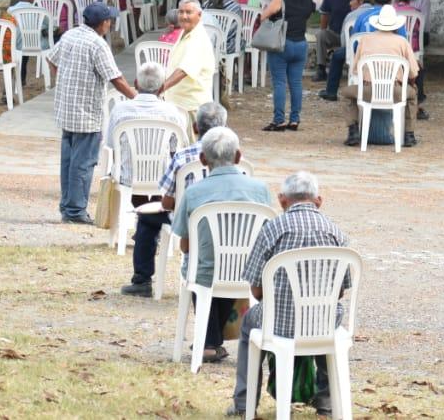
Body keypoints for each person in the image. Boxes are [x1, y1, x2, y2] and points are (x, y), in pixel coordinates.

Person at [230, 171, 350, 418]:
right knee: (326, 317)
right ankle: (326, 401)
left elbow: (256, 289)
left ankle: (244, 403)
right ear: (319, 200)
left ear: (283, 200)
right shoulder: (336, 232)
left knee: (247, 325)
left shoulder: (272, 229)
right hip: (322, 321)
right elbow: (340, 290)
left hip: (278, 321)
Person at [171, 127, 273, 363]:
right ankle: (211, 342)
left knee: (201, 264)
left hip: (205, 272)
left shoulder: (194, 192)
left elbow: (185, 246)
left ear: (202, 159)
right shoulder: (260, 190)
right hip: (247, 272)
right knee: (231, 264)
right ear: (238, 157)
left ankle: (208, 342)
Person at [121, 101, 229, 297]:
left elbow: (168, 202)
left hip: (185, 220)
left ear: (196, 128)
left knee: (146, 220)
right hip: (225, 220)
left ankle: (142, 280)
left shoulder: (182, 157)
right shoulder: (235, 157)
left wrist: (167, 205)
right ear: (225, 128)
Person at [48, 1, 137, 223]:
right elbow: (115, 78)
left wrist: (65, 81)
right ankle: (76, 211)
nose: (111, 24)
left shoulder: (70, 35)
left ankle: (67, 207)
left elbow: (52, 59)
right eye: (109, 21)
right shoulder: (97, 45)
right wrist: (138, 97)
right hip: (86, 113)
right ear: (104, 23)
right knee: (83, 162)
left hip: (66, 109)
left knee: (68, 161)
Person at [106, 61, 191, 207]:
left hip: (127, 178)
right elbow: (176, 150)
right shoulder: (172, 112)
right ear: (163, 87)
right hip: (162, 179)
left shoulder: (119, 110)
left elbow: (110, 146)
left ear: (136, 84)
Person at [340, 4, 419, 147]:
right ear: (395, 25)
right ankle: (409, 135)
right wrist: (410, 84)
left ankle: (353, 131)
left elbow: (356, 70)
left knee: (346, 93)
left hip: (369, 91)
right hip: (395, 92)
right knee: (412, 95)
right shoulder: (402, 42)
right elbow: (413, 72)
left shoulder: (365, 40)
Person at [258, 0, 315, 131]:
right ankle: (295, 119)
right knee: (296, 83)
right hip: (301, 44)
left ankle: (279, 119)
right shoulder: (308, 1)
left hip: (282, 44)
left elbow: (263, 16)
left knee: (280, 83)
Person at [160, 0, 217, 131]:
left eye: (188, 12)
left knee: (191, 149)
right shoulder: (185, 32)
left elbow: (183, 70)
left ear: (199, 15)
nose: (184, 16)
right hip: (178, 104)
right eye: (181, 12)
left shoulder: (198, 39)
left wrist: (159, 89)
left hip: (191, 107)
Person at [319, 0, 382, 101]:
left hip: (356, 52)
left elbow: (345, 42)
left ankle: (331, 91)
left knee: (337, 55)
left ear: (361, 0)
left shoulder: (351, 16)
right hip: (378, 51)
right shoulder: (377, 13)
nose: (350, 3)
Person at [314, 0, 358, 83]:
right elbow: (324, 15)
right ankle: (321, 68)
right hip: (335, 34)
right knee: (321, 35)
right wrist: (323, 30)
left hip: (352, 36)